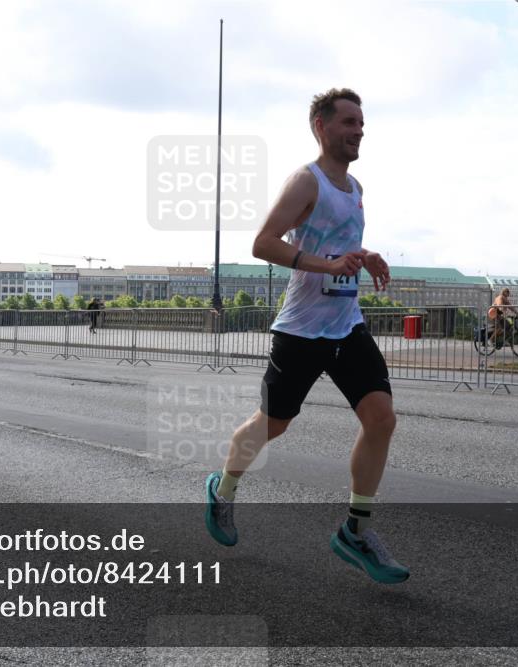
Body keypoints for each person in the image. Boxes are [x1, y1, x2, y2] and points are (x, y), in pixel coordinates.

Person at [204, 88, 409, 584]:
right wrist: (328, 263)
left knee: (381, 418)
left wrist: (364, 256)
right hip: (300, 330)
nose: (358, 130)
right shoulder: (306, 180)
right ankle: (223, 490)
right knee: (272, 426)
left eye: (361, 123)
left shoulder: (356, 187)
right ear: (321, 126)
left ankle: (355, 532)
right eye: (348, 122)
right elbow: (263, 243)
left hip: (346, 325)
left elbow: (340, 249)